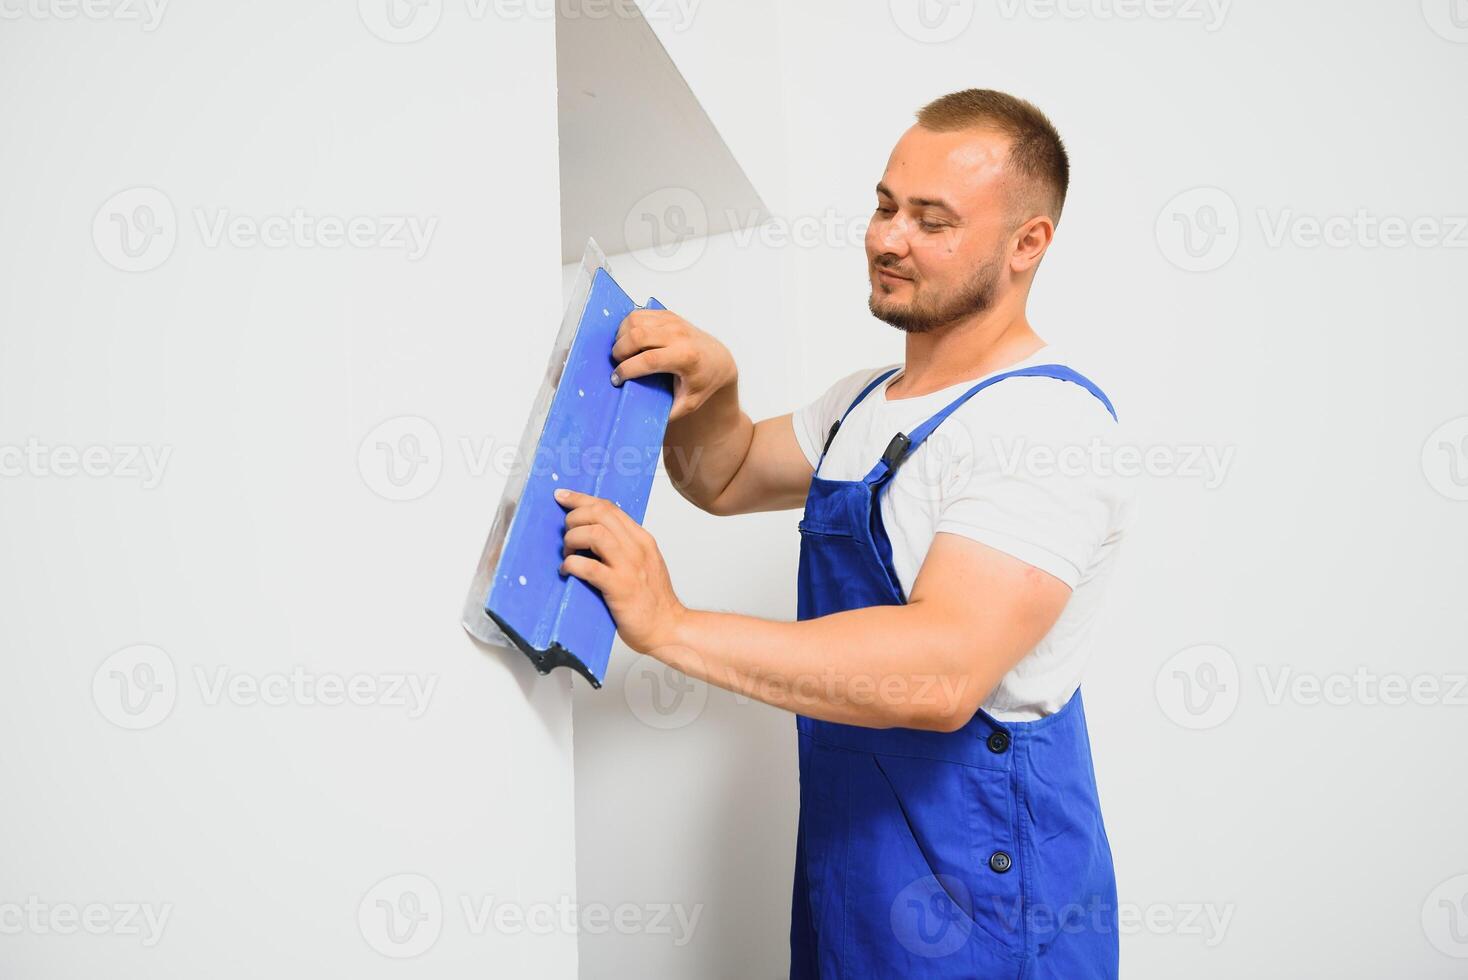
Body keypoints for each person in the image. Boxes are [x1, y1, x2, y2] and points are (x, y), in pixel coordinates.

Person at [552, 88, 1132, 978]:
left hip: (983, 894)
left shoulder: (1044, 427)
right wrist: (712, 390)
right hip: (855, 867)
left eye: (932, 221)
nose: (888, 238)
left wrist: (669, 625)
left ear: (1028, 245)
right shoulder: (864, 402)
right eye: (885, 205)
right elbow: (730, 472)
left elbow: (940, 673)